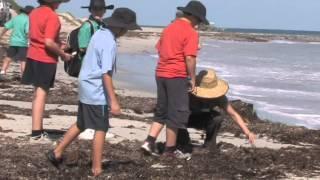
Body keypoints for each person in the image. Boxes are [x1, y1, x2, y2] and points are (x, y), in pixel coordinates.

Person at [47, 8, 141, 177]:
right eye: (127, 29)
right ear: (121, 28)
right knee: (101, 127)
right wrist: (113, 101)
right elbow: (106, 73)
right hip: (95, 88)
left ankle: (57, 152)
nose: (127, 32)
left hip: (85, 82)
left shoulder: (99, 32)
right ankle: (96, 169)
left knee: (82, 123)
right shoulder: (109, 42)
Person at [141, 1, 209, 159]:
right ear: (192, 16)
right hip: (176, 75)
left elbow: (160, 49)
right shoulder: (191, 32)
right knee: (176, 113)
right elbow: (190, 58)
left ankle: (149, 141)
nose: (198, 23)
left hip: (160, 73)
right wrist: (192, 78)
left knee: (162, 110)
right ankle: (169, 150)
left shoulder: (168, 28)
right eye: (199, 19)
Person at [21, 0, 72, 141]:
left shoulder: (34, 12)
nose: (60, 4)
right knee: (41, 95)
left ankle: (37, 130)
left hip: (32, 55)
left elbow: (40, 36)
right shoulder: (52, 16)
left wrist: (61, 45)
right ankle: (36, 133)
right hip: (45, 59)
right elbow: (48, 42)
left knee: (37, 94)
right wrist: (64, 55)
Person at [176, 69, 256, 153]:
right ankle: (182, 141)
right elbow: (172, 110)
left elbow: (233, 114)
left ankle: (209, 145)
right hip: (185, 118)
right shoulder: (188, 92)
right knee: (177, 115)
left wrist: (248, 132)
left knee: (217, 117)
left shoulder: (219, 98)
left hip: (202, 119)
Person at [0, 5, 34, 78]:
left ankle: (2, 72)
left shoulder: (16, 18)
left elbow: (6, 27)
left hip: (13, 42)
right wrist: (31, 40)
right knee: (23, 60)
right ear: (30, 13)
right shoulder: (28, 19)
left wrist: (1, 35)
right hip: (23, 43)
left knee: (8, 57)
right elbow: (27, 32)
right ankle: (23, 75)